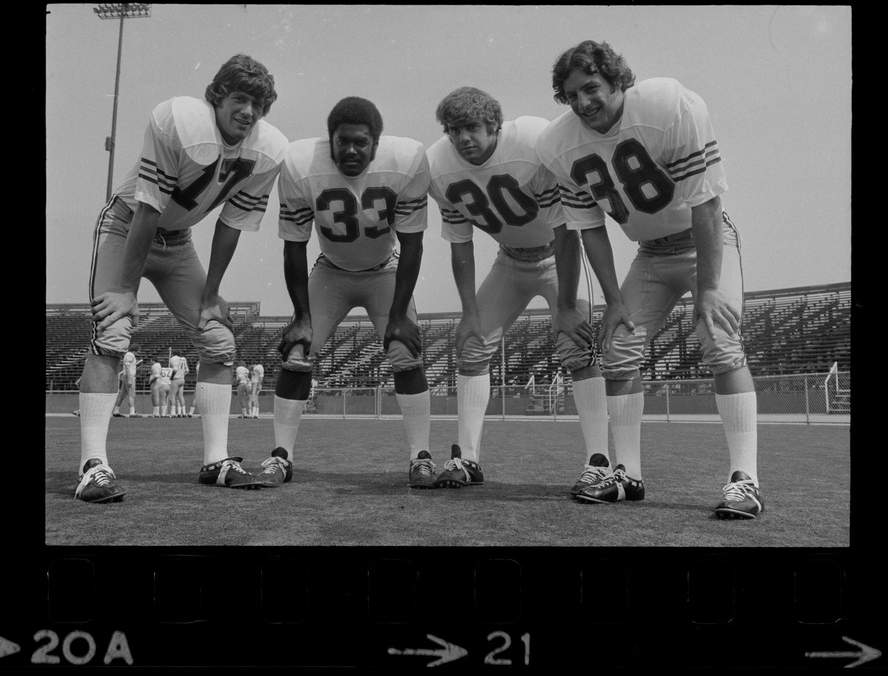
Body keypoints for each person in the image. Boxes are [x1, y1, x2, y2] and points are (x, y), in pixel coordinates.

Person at [537, 39, 763, 519]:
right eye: (571, 95)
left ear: (618, 80)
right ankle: (628, 475)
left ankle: (745, 480)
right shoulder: (559, 143)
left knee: (719, 336)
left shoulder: (666, 105)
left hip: (706, 242)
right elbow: (589, 229)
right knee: (618, 351)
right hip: (650, 255)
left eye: (591, 88)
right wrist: (614, 300)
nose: (582, 103)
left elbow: (706, 202)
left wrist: (707, 289)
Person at [74, 53, 288, 502]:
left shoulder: (267, 151)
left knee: (219, 339)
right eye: (240, 98)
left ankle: (216, 460)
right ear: (216, 97)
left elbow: (231, 224)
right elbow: (149, 207)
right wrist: (126, 290)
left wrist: (211, 294)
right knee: (113, 333)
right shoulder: (181, 121)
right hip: (126, 225)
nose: (248, 111)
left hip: (178, 244)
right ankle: (92, 466)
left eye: (258, 105)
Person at [425, 86, 608, 494]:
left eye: (471, 127)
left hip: (556, 256)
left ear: (495, 125)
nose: (462, 138)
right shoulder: (439, 165)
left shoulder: (530, 144)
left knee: (576, 344)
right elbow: (460, 244)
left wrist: (565, 306)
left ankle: (599, 460)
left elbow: (566, 232)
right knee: (472, 345)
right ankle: (468, 459)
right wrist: (468, 313)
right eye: (453, 130)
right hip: (509, 259)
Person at [256, 96, 435, 488]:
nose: (351, 150)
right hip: (331, 272)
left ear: (376, 142)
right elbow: (294, 244)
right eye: (343, 142)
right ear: (330, 140)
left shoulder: (405, 160)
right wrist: (301, 317)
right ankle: (282, 456)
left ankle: (420, 456)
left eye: (361, 142)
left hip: (383, 271)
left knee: (406, 352)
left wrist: (401, 313)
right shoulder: (301, 164)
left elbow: (413, 244)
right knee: (298, 352)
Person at [112, 344, 142, 418]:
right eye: (138, 351)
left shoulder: (128, 355)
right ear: (135, 350)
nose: (139, 352)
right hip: (129, 376)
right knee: (131, 395)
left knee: (122, 395)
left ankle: (116, 410)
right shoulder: (130, 355)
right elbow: (128, 367)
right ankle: (132, 412)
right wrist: (129, 379)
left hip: (126, 376)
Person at [168, 350, 190, 417]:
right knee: (181, 396)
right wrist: (182, 375)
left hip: (176, 379)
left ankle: (173, 412)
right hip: (182, 379)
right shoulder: (183, 359)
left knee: (173, 395)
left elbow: (174, 369)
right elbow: (187, 371)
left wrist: (171, 377)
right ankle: (184, 412)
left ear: (173, 354)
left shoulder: (173, 359)